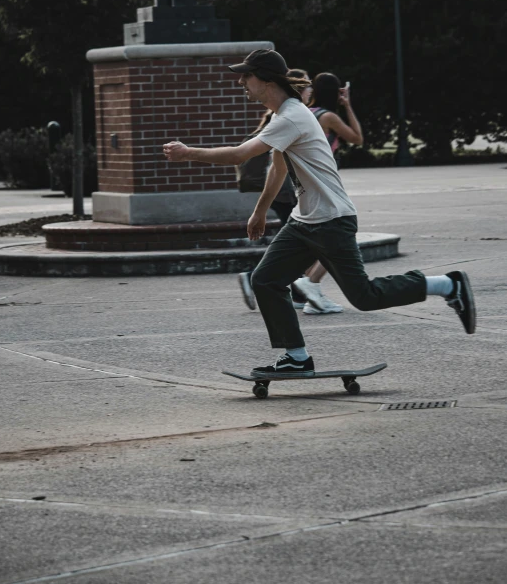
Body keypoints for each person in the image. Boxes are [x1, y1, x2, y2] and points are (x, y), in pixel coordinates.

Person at [163, 48, 476, 378]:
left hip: (332, 221)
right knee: (266, 280)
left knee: (365, 296)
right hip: (304, 221)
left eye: (247, 75)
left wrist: (188, 153)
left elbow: (240, 155)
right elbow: (278, 169)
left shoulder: (292, 117)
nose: (241, 81)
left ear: (267, 80)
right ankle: (296, 356)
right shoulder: (286, 117)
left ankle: (447, 284)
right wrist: (260, 210)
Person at [237, 68, 309, 312]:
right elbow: (268, 164)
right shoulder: (288, 117)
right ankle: (262, 280)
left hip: (287, 191)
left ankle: (297, 290)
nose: (311, 91)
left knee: (298, 241)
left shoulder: (283, 115)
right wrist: (188, 153)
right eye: (307, 87)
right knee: (299, 242)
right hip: (286, 191)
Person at [294, 72, 364, 315]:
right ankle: (311, 284)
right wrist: (348, 105)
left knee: (318, 239)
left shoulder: (306, 113)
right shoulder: (328, 116)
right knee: (339, 237)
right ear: (335, 93)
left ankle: (312, 291)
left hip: (304, 183)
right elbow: (357, 138)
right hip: (326, 184)